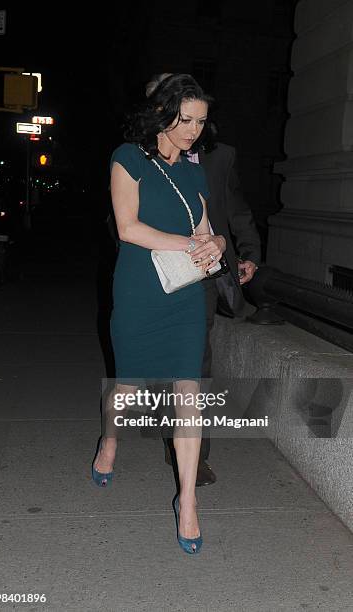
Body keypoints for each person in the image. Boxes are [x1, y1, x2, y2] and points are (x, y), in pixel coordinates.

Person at [91, 74, 227, 554]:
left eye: (200, 122)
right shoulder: (128, 158)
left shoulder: (194, 169)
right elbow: (128, 228)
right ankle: (110, 441)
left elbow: (207, 227)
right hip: (140, 293)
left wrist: (218, 244)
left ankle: (187, 502)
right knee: (126, 391)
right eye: (184, 119)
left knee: (189, 389)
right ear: (161, 112)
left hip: (185, 296)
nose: (192, 130)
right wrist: (193, 244)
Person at [145, 74, 261, 486]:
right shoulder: (139, 157)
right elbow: (118, 220)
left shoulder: (220, 156)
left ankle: (194, 454)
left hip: (203, 275)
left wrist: (247, 254)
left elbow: (237, 208)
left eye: (196, 119)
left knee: (197, 364)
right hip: (155, 275)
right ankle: (168, 428)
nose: (189, 128)